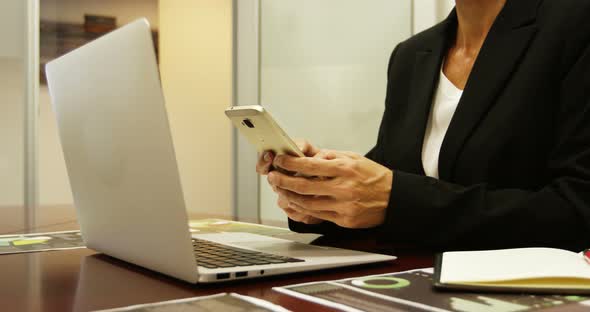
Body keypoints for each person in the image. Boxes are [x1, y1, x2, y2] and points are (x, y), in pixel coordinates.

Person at [256, 0, 590, 251]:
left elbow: (578, 209)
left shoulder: (574, 26)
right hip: (416, 285)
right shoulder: (412, 55)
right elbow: (392, 184)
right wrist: (323, 197)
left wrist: (393, 199)